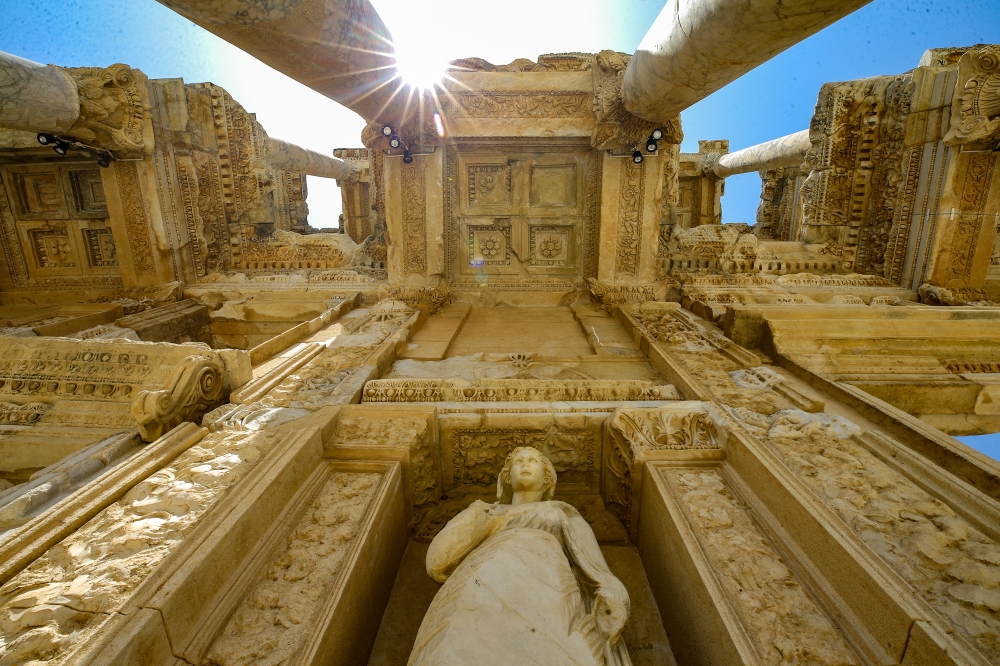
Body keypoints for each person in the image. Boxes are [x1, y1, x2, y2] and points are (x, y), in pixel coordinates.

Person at [408, 446, 632, 665]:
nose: (525, 464)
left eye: (532, 460)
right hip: (480, 583)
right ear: (506, 478)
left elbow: (594, 565)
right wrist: (481, 519)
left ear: (547, 478)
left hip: (550, 588)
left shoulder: (563, 513)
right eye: (518, 461)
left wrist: (611, 596)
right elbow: (437, 563)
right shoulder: (486, 513)